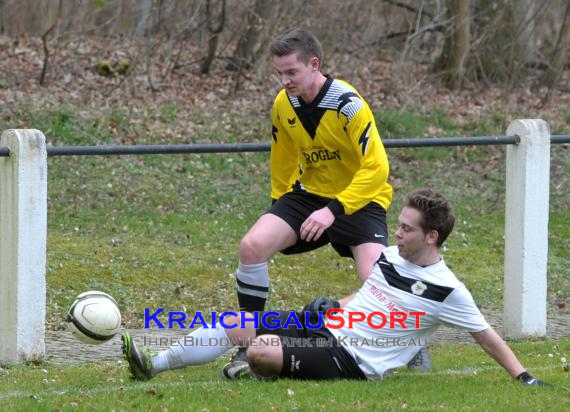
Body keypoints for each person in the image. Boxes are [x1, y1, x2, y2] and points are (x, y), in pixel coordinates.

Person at [122, 189, 548, 385]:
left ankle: (256, 366)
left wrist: (524, 376)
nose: (395, 233)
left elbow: (485, 335)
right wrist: (328, 309)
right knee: (238, 323)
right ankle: (153, 364)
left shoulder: (448, 290)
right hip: (329, 327)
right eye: (397, 224)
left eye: (405, 228)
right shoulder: (390, 260)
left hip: (354, 359)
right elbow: (366, 297)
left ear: (432, 236)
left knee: (260, 351)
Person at [227, 27, 393, 377]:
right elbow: (283, 157)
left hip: (361, 199)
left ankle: (403, 345)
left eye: (292, 72)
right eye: (279, 73)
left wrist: (334, 210)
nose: (285, 81)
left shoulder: (349, 105)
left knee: (377, 282)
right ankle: (249, 344)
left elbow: (377, 168)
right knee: (252, 245)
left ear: (314, 64)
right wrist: (278, 204)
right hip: (310, 195)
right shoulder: (283, 103)